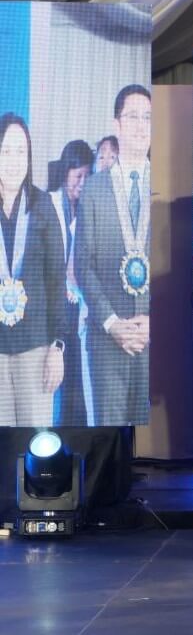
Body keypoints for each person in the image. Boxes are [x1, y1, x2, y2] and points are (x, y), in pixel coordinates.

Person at [76, 85, 152, 425]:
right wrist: (113, 324)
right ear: (117, 125)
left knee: (149, 446)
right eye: (132, 116)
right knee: (109, 439)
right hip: (108, 338)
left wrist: (155, 320)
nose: (140, 125)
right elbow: (82, 265)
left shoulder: (166, 182)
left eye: (147, 117)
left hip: (155, 337)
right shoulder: (93, 187)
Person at [0, 114, 66, 426]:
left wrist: (58, 347)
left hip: (36, 349)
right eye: (6, 151)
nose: (14, 161)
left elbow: (57, 282)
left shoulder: (42, 205)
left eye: (21, 151)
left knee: (34, 445)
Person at [48, 139, 94, 426]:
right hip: (55, 306)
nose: (82, 182)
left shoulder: (86, 210)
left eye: (87, 176)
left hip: (79, 306)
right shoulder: (50, 204)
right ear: (66, 172)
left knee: (78, 380)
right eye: (78, 175)